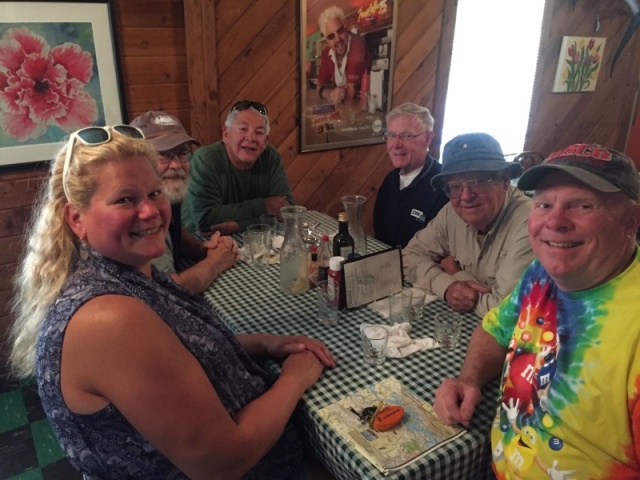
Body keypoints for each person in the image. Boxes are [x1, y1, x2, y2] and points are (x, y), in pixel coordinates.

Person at [8, 126, 335, 479]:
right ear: (77, 219)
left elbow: (177, 350)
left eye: (154, 192)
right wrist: (294, 378)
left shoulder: (128, 273)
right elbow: (221, 463)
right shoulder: (108, 318)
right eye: (125, 199)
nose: (150, 211)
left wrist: (266, 344)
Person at [433, 144, 640, 479]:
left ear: (630, 221)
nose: (555, 222)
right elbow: (493, 330)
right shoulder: (541, 275)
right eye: (544, 204)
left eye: (582, 205)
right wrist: (468, 378)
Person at [402, 132, 534, 318]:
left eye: (478, 182)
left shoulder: (531, 223)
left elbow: (505, 313)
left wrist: (455, 273)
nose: (465, 196)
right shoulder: (452, 211)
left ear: (504, 181)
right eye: (455, 186)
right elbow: (410, 255)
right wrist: (446, 286)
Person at [130, 111, 238, 294]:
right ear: (136, 159)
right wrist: (216, 261)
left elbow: (173, 231)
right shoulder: (140, 212)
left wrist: (200, 248)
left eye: (182, 153)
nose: (177, 165)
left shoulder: (162, 194)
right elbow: (167, 290)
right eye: (163, 154)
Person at [182, 100, 294, 235]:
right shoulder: (206, 159)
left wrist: (237, 226)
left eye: (259, 132)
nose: (251, 137)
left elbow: (286, 210)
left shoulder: (270, 156)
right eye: (243, 129)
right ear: (226, 134)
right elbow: (205, 219)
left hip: (250, 240)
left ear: (265, 141)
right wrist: (264, 205)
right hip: (199, 245)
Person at [373, 102, 449, 248]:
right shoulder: (390, 180)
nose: (396, 144)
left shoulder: (444, 186)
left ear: (428, 138)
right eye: (392, 135)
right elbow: (380, 234)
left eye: (407, 136)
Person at [316, 6, 371, 104]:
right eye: (331, 36)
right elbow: (319, 87)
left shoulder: (358, 43)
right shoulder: (326, 53)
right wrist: (330, 94)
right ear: (326, 40)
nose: (337, 39)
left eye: (340, 30)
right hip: (344, 110)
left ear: (345, 27)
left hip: (362, 107)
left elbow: (350, 94)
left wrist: (331, 92)